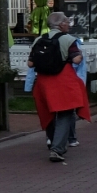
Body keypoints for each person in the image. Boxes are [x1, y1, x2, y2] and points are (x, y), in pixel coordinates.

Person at [30, 11, 89, 163]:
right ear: (61, 24)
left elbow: (30, 63)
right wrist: (80, 56)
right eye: (67, 22)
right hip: (63, 81)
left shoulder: (39, 40)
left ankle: (52, 140)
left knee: (49, 112)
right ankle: (57, 149)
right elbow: (76, 60)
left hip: (43, 82)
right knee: (65, 113)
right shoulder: (69, 40)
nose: (69, 24)